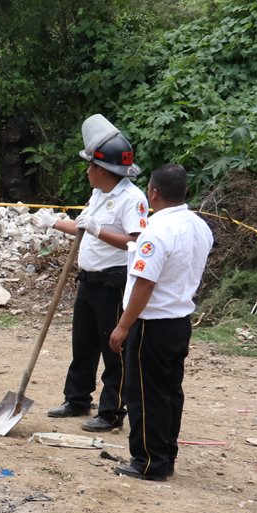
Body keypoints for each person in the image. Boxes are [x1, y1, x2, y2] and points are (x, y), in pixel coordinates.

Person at [32, 114, 149, 432]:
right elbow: (84, 227)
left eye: (90, 166)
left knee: (113, 348)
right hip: (88, 278)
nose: (86, 171)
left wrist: (98, 231)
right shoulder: (99, 194)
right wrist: (54, 223)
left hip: (114, 281)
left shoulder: (132, 200)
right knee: (82, 343)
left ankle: (112, 411)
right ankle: (78, 398)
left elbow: (135, 243)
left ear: (103, 170)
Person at [109, 164, 213, 480]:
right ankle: (165, 456)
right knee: (169, 392)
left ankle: (147, 461)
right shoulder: (199, 226)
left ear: (153, 193)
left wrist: (124, 325)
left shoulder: (156, 230)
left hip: (152, 324)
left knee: (143, 394)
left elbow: (145, 283)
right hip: (180, 320)